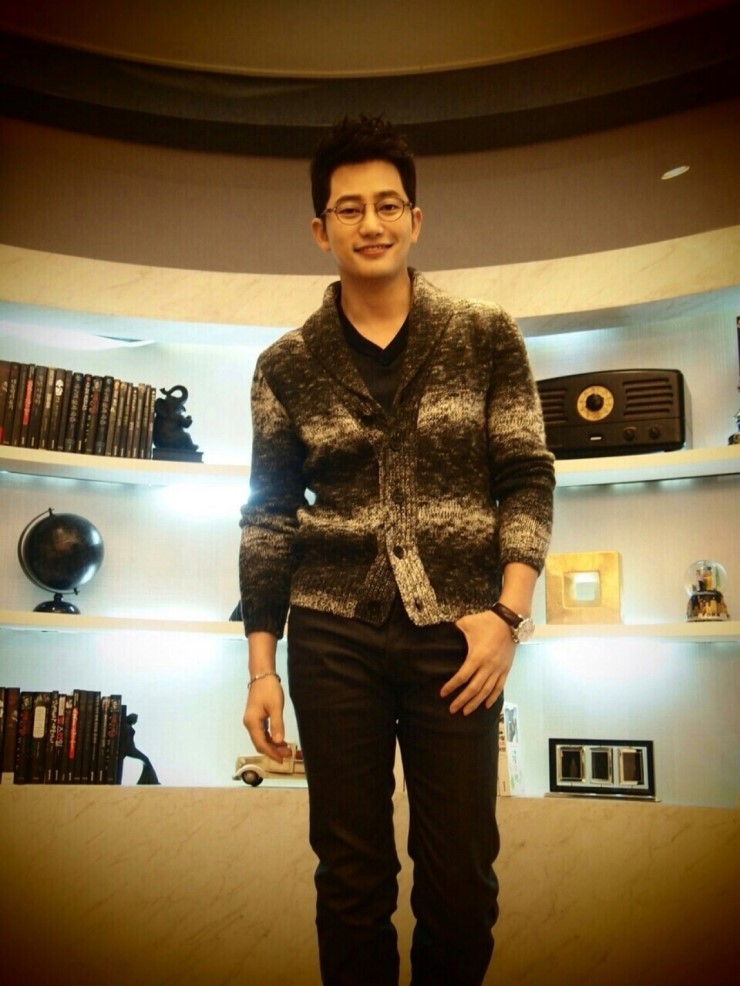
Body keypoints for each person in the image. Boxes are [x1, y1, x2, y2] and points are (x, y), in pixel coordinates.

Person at [239, 115, 555, 986]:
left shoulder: (485, 333)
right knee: (350, 876)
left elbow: (527, 476)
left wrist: (507, 617)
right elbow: (268, 518)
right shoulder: (285, 364)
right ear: (321, 229)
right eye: (349, 208)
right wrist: (262, 667)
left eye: (387, 205)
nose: (370, 223)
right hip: (331, 634)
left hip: (461, 635)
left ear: (415, 220)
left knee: (461, 876)